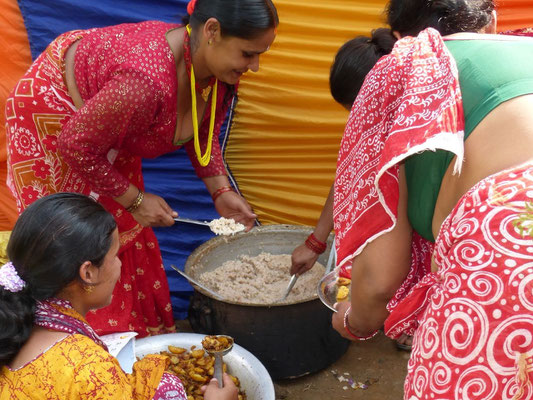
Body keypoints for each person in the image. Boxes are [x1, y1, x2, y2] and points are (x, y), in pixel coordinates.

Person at [5, 0, 278, 336]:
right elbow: (76, 145)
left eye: (261, 54)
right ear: (212, 31)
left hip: (105, 117)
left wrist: (220, 191)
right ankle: (84, 341)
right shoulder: (143, 83)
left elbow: (201, 134)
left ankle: (135, 330)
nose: (256, 67)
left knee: (120, 221)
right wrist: (135, 200)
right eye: (249, 54)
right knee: (76, 235)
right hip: (55, 117)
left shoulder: (217, 72)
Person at [330, 0, 533, 397]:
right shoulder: (523, 48)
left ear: (400, 37)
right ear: (490, 22)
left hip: (509, 260)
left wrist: (357, 321)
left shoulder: (406, 68)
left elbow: (378, 278)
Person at [0, 193, 238, 400]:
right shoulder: (91, 371)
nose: (120, 264)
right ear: (88, 272)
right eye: (115, 255)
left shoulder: (18, 313)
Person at [290, 29, 397, 276]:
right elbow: (346, 176)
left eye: (357, 109)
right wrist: (315, 242)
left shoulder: (411, 133)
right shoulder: (368, 124)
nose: (354, 119)